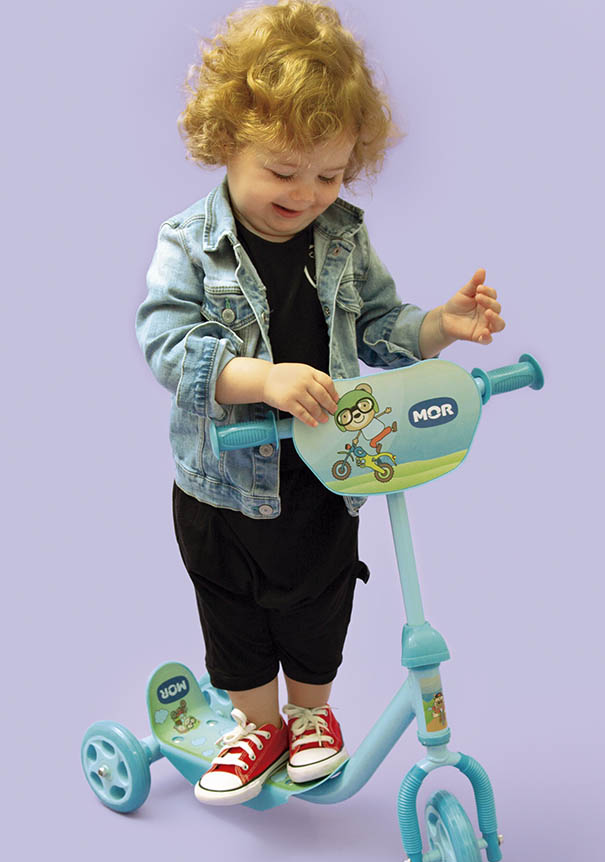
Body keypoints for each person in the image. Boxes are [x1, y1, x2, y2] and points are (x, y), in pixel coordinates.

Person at [136, 0, 505, 806]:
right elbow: (166, 342)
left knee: (318, 604)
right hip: (225, 483)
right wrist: (260, 379)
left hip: (328, 468)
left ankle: (310, 718)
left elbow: (378, 323)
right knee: (234, 614)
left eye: (330, 174)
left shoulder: (342, 236)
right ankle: (257, 725)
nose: (307, 194)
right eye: (283, 171)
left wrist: (439, 326)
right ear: (227, 139)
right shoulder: (189, 244)